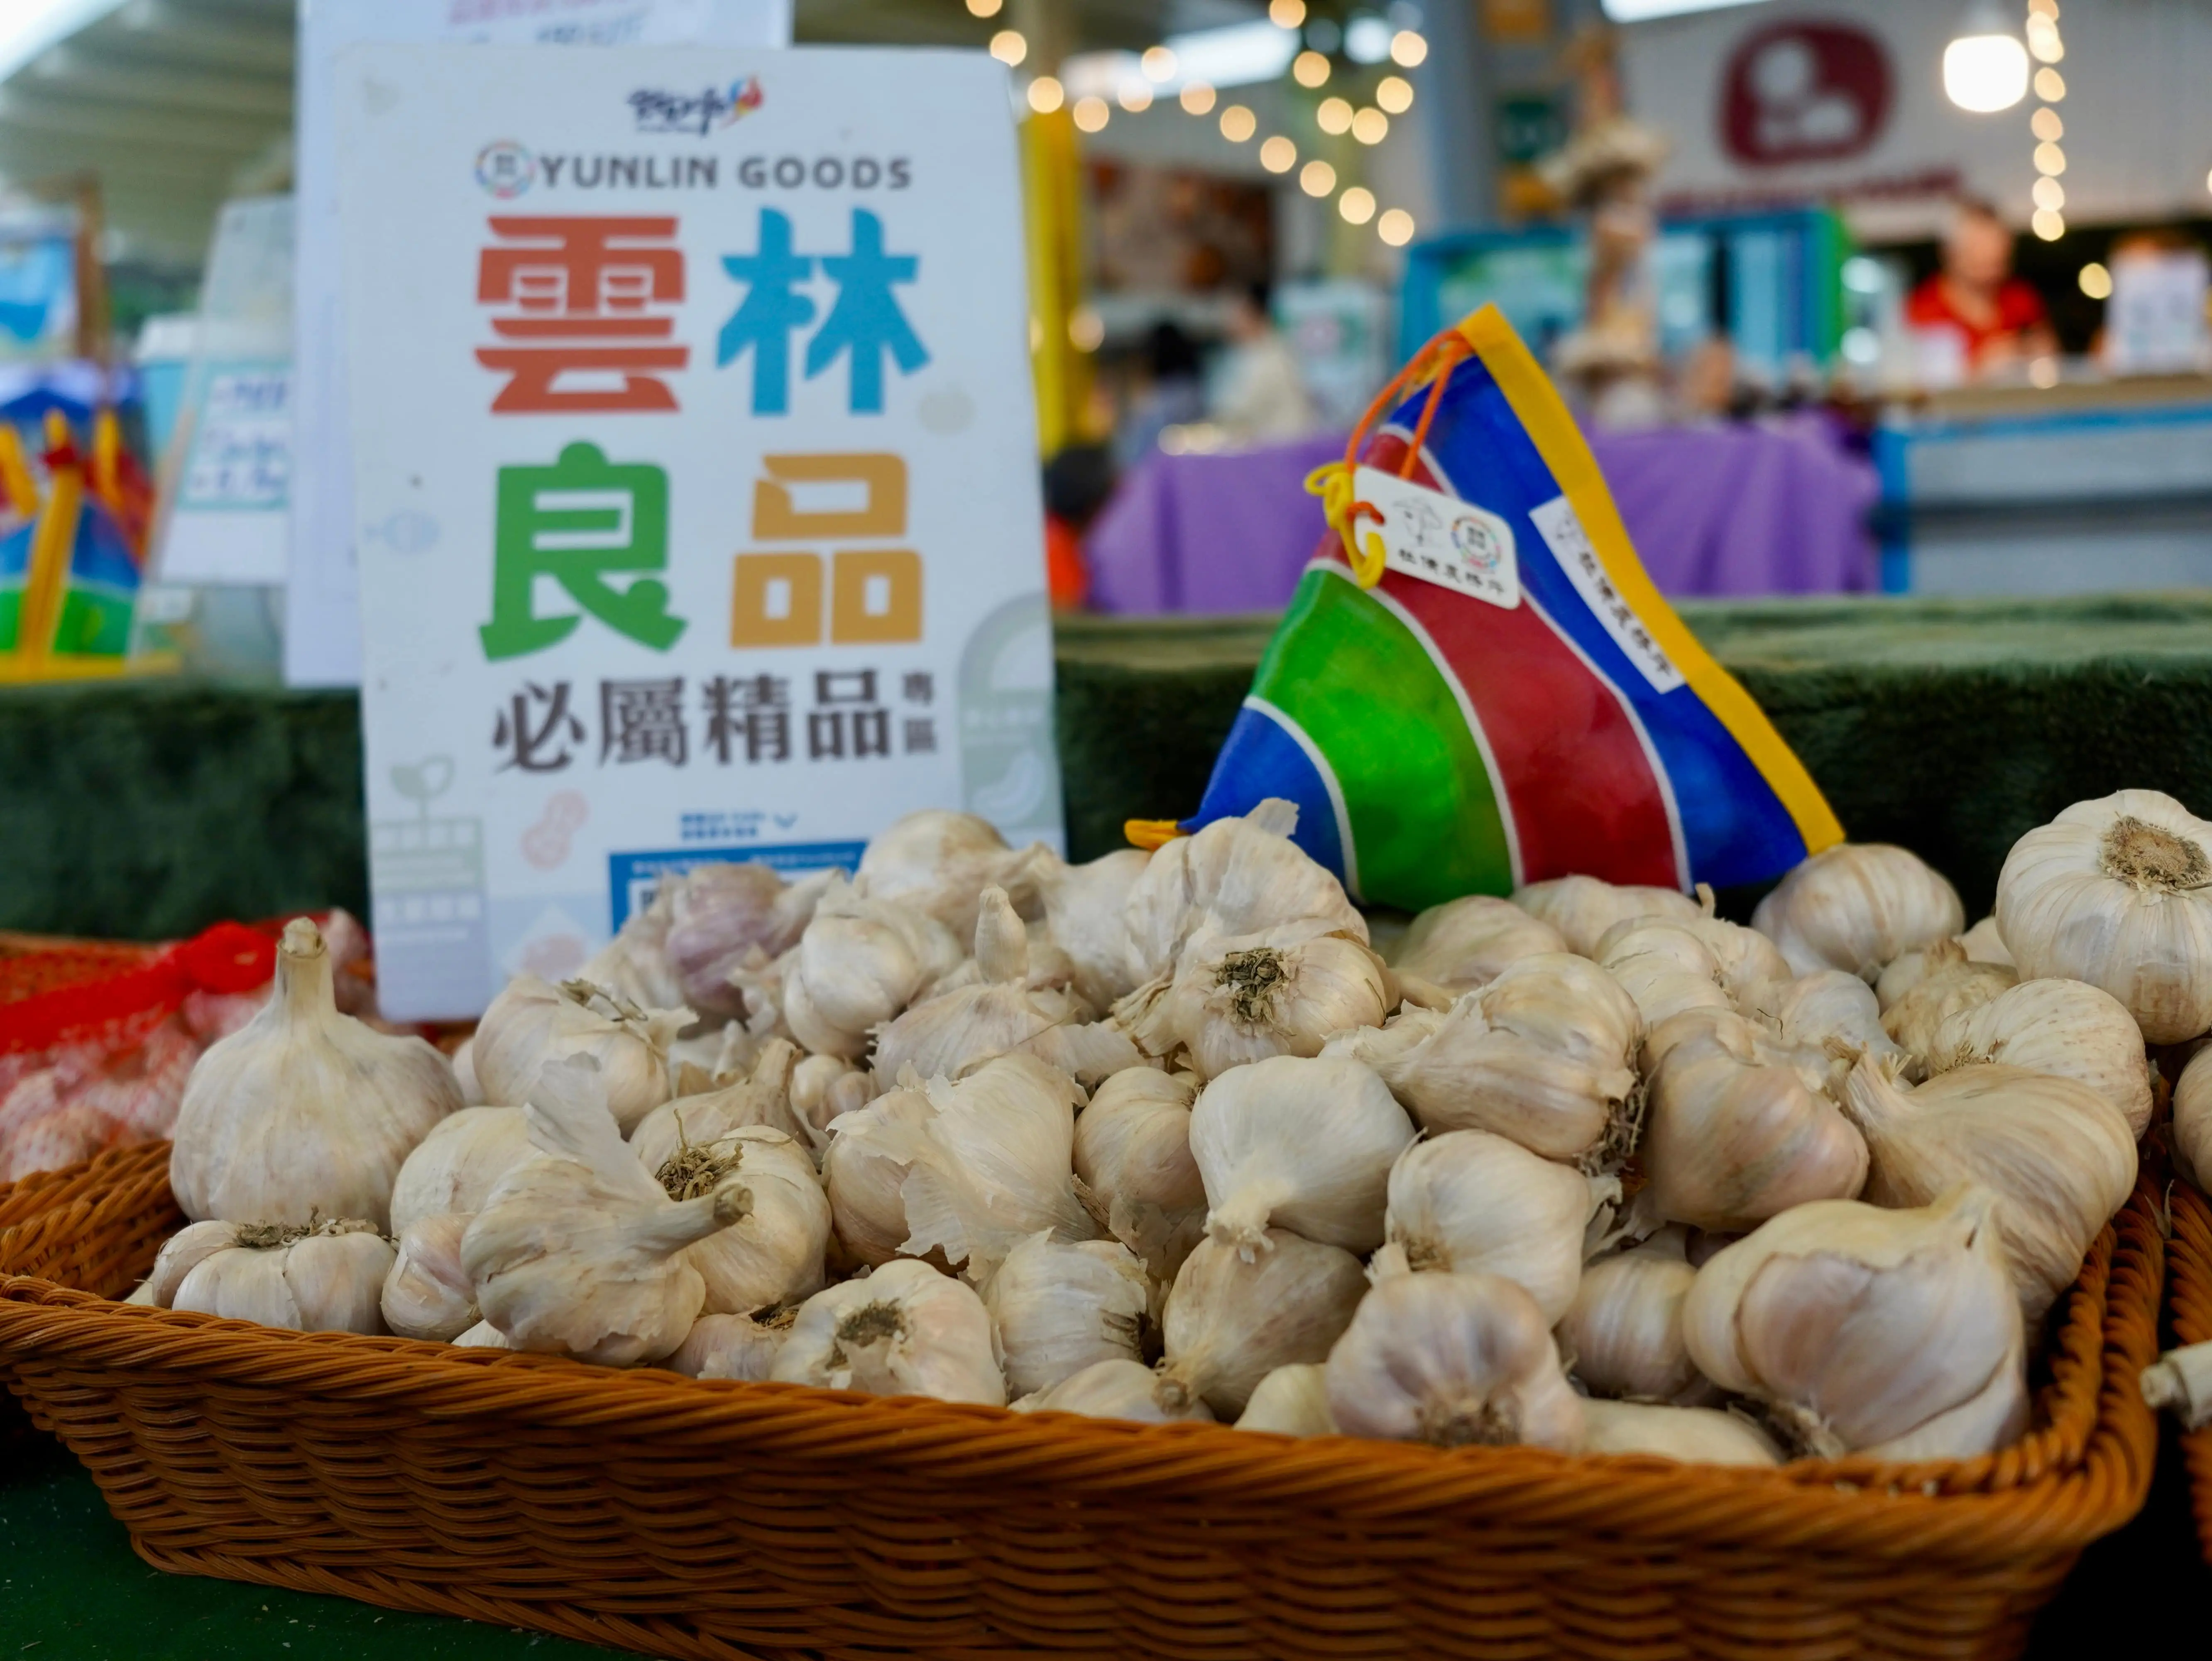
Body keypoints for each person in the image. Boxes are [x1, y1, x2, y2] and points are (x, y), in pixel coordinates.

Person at [1906, 198, 2057, 382]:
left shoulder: (2021, 298)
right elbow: (1922, 385)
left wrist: (2032, 352)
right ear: (1950, 253)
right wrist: (1979, 369)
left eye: (1998, 259)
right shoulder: (1923, 309)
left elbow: (2049, 353)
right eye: (1977, 249)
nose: (1989, 257)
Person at [1211, 280, 1321, 443]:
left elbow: (1237, 411)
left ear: (1252, 314)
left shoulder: (1271, 356)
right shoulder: (1247, 353)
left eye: (1235, 312)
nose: (1228, 320)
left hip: (1281, 449)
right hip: (1265, 445)